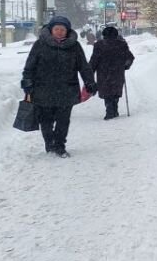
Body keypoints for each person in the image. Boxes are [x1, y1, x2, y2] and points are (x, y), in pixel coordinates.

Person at [21, 15, 96, 158]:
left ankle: (60, 146)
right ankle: (50, 144)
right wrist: (27, 81)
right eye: (57, 29)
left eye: (62, 29)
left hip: (67, 89)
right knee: (46, 120)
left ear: (67, 31)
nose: (60, 32)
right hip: (43, 89)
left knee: (63, 120)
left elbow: (83, 66)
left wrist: (89, 82)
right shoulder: (40, 44)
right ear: (51, 29)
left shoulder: (74, 46)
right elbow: (30, 66)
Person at [90, 25, 134, 120]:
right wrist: (125, 66)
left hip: (103, 73)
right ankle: (114, 109)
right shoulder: (121, 45)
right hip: (117, 73)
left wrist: (90, 72)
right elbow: (130, 58)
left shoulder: (99, 45)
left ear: (104, 35)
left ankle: (109, 110)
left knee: (107, 92)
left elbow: (94, 60)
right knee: (115, 91)